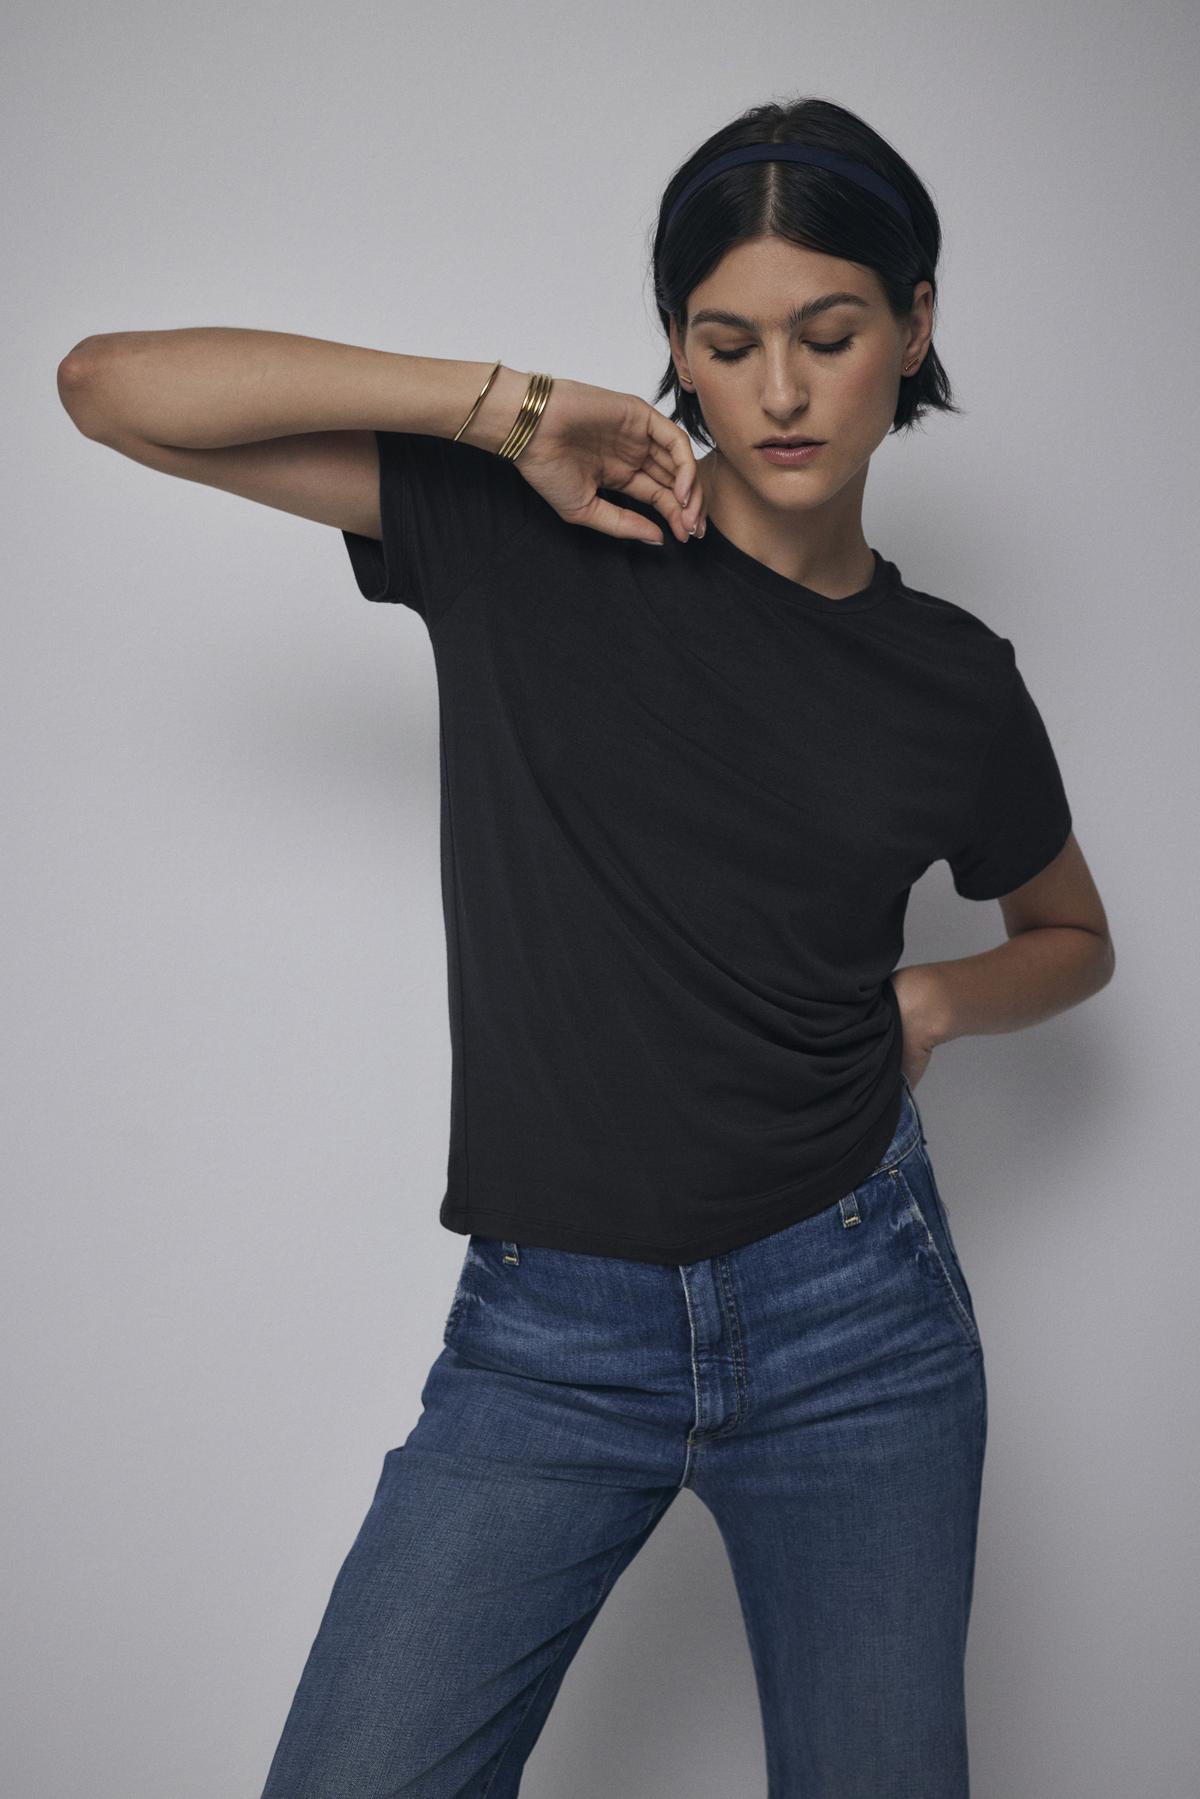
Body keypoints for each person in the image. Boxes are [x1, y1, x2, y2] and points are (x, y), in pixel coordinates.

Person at [58, 94, 1115, 1799]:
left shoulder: (954, 678)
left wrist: (931, 997)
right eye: (729, 340)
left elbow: (1071, 936)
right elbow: (110, 386)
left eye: (830, 335)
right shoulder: (523, 540)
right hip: (552, 1341)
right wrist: (515, 411)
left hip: (861, 1320)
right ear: (677, 358)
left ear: (915, 328)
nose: (779, 390)